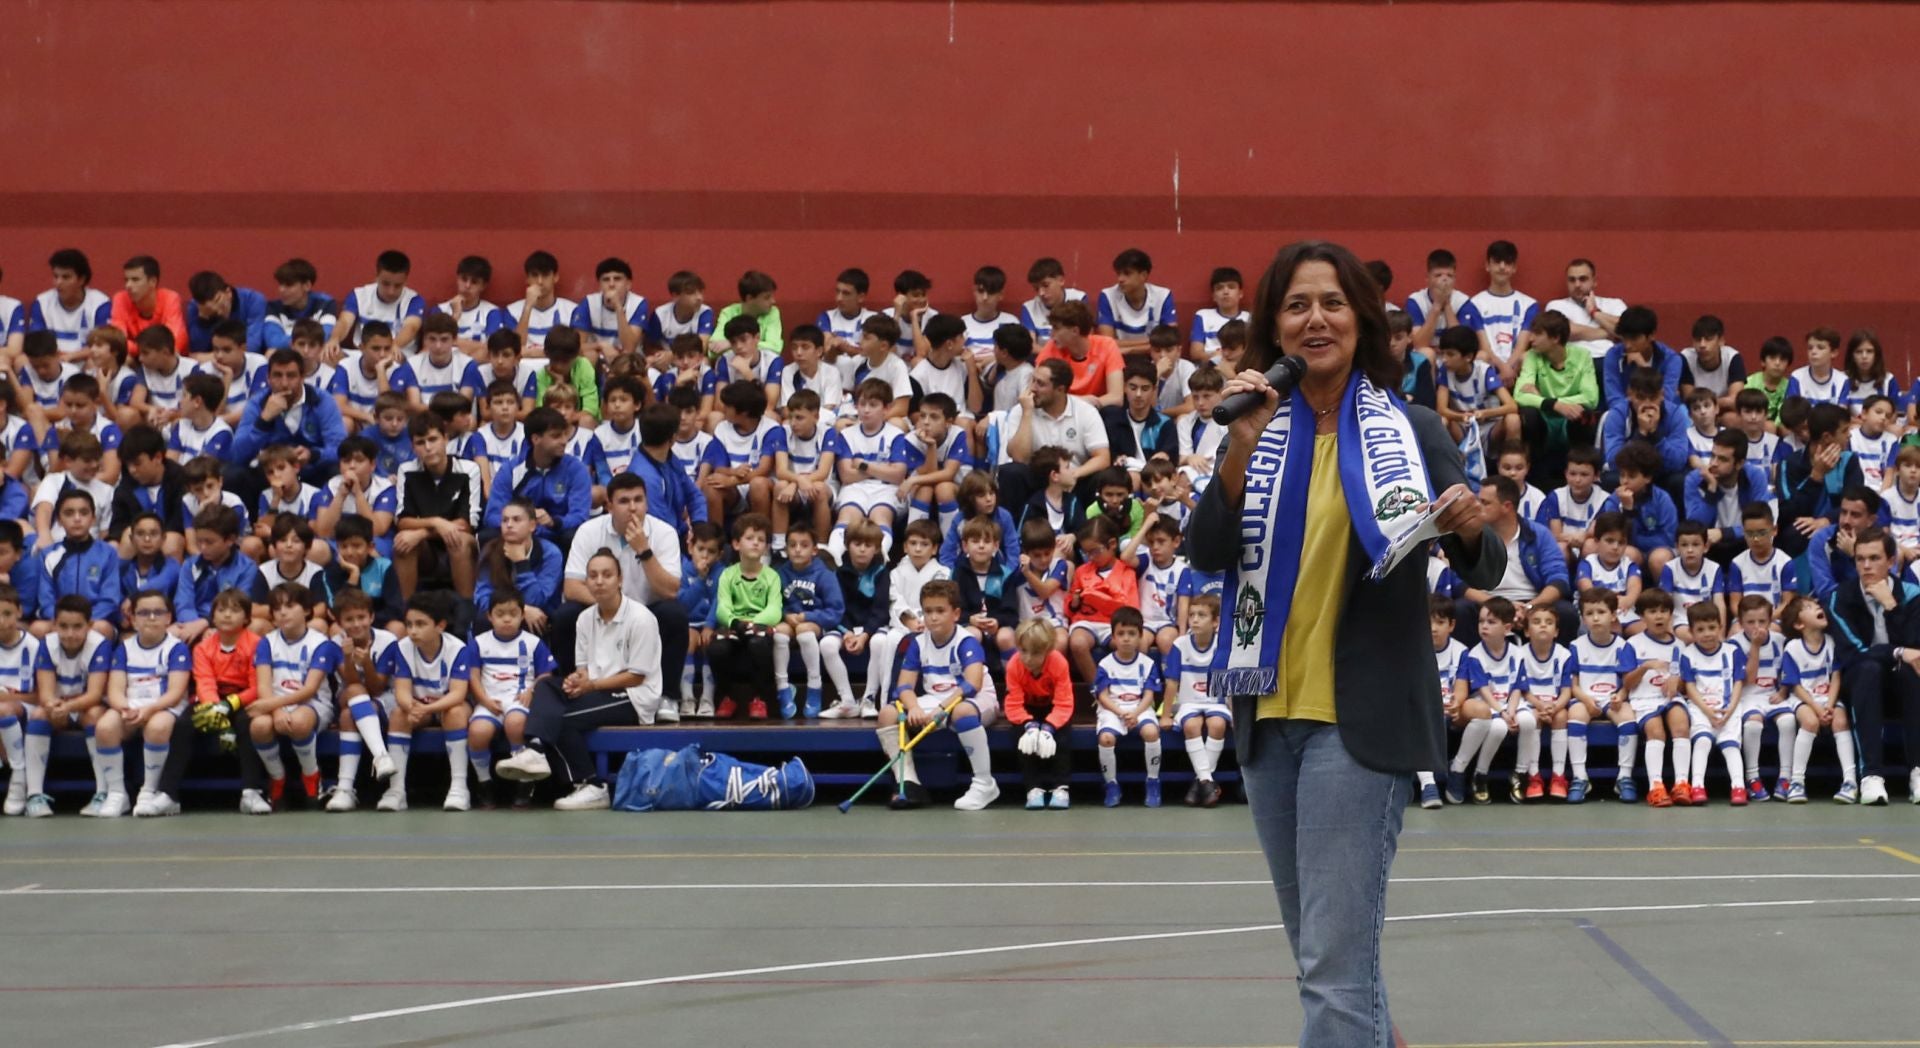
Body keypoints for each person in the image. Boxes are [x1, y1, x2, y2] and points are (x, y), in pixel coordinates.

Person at [1187, 240, 1497, 1045]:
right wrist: (1239, 451)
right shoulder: (1256, 429)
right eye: (1295, 305)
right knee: (1330, 962)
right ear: (1274, 328)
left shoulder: (1409, 428)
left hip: (1358, 728)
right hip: (1266, 722)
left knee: (1332, 968)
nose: (1314, 319)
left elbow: (1485, 564)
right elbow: (1204, 553)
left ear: (1362, 321)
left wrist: (1467, 529)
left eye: (1330, 303)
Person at [497, 548, 662, 811]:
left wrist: (591, 685)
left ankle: (592, 785)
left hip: (634, 697)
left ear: (620, 579)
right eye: (593, 575)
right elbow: (584, 669)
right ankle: (537, 749)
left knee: (563, 718)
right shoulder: (585, 618)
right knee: (547, 684)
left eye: (607, 575)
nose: (599, 581)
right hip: (596, 689)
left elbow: (636, 676)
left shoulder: (641, 619)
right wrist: (577, 680)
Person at [874, 579, 1001, 811]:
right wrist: (913, 708)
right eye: (928, 611)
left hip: (976, 698)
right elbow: (904, 686)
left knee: (961, 712)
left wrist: (942, 710)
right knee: (887, 714)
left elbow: (972, 684)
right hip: (937, 699)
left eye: (940, 611)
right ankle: (909, 783)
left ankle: (984, 783)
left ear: (956, 613)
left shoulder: (966, 641)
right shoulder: (918, 643)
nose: (932, 617)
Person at [1829, 527, 1920, 806]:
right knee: (1869, 669)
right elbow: (1855, 653)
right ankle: (1871, 776)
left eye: (1874, 558)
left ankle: (1918, 771)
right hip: (1860, 684)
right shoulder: (1840, 597)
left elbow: (1916, 648)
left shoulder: (1911, 594)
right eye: (1860, 559)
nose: (1866, 566)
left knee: (1910, 670)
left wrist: (1891, 605)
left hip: (1902, 681)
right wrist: (1897, 651)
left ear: (1891, 561)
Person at [248, 583, 339, 811]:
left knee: (298, 722)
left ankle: (312, 776)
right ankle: (277, 779)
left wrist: (273, 705)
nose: (283, 612)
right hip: (276, 704)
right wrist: (276, 711)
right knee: (259, 726)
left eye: (290, 606)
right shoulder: (266, 642)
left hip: (313, 704)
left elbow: (309, 690)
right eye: (277, 608)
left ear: (307, 610)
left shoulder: (321, 643)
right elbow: (264, 684)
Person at [103, 589, 193, 818]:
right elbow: (114, 690)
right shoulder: (124, 648)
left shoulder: (176, 648)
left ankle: (149, 790)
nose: (151, 618)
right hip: (131, 705)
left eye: (158, 612)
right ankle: (116, 793)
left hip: (163, 706)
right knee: (105, 727)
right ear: (132, 619)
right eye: (143, 613)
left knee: (157, 727)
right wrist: (125, 708)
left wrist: (149, 710)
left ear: (169, 618)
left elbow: (176, 692)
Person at [1780, 595, 1854, 803]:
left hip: (1827, 698)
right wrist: (1816, 708)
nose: (1817, 608)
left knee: (1841, 720)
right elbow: (1795, 685)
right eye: (1809, 607)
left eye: (1816, 605)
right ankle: (1797, 782)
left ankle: (1850, 781)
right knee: (1810, 722)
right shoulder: (1793, 648)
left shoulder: (1831, 642)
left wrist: (1829, 706)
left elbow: (1836, 677)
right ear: (1799, 623)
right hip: (1805, 699)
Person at [1566, 588, 1634, 803]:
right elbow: (1573, 685)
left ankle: (1624, 777)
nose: (1595, 618)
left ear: (1613, 615)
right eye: (1589, 613)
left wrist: (1620, 695)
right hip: (1585, 697)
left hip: (1612, 698)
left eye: (1601, 612)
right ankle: (1580, 777)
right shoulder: (1576, 647)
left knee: (1628, 719)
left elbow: (1627, 683)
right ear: (1583, 618)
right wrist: (1586, 700)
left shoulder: (1624, 646)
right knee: (1575, 715)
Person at [1092, 606, 1165, 807]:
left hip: (1139, 708)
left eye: (1131, 634)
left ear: (1140, 636)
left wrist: (1135, 713)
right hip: (1113, 710)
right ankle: (1111, 785)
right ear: (1113, 637)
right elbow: (1103, 696)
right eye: (1121, 634)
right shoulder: (1105, 664)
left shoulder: (1148, 663)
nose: (1126, 638)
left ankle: (1152, 781)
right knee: (1106, 738)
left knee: (1151, 732)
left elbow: (1149, 695)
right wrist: (1121, 713)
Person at [1675, 600, 1746, 805]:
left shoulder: (1732, 652)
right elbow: (1689, 687)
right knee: (1703, 741)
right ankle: (1697, 785)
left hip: (1729, 708)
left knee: (1731, 746)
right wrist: (1707, 711)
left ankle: (1738, 787)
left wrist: (1730, 709)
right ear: (1691, 631)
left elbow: (1738, 683)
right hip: (1700, 709)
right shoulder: (1688, 654)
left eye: (1712, 628)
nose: (1707, 633)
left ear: (1721, 627)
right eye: (1701, 629)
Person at [1620, 590, 1683, 807]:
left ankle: (1682, 783)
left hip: (1671, 698)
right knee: (1655, 730)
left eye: (1664, 611)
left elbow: (1686, 681)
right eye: (1652, 611)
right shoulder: (1633, 644)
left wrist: (1677, 681)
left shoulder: (1679, 646)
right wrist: (1645, 666)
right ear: (1642, 616)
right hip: (1644, 699)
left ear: (1671, 615)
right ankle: (1656, 786)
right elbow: (1627, 684)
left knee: (1680, 722)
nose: (1658, 616)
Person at [1004, 618, 1073, 810]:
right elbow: (1013, 703)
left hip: (1054, 709)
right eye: (1023, 651)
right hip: (1026, 711)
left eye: (1035, 653)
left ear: (1048, 650)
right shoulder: (1014, 665)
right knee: (1022, 740)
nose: (1027, 658)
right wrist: (1029, 726)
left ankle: (1061, 787)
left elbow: (1064, 702)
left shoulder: (1059, 663)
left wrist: (1049, 727)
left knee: (1062, 738)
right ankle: (1032, 788)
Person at [1545, 258, 1627, 358]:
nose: (1577, 285)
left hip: (1608, 359)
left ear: (1594, 281)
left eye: (1583, 279)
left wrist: (1594, 312)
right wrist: (1611, 332)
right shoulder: (1556, 305)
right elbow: (1566, 331)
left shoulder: (1614, 304)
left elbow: (1628, 330)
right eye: (1572, 280)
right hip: (1574, 363)